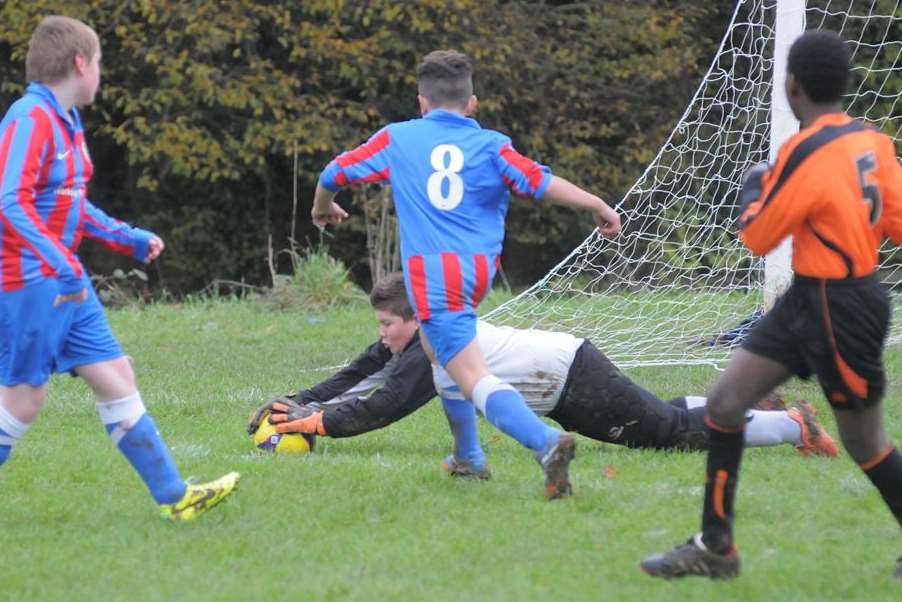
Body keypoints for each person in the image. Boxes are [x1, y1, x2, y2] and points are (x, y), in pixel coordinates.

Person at [639, 30, 902, 580]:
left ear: (792, 84)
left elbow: (758, 236)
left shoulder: (804, 151)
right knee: (726, 401)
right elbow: (896, 222)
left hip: (840, 307)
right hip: (812, 297)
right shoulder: (871, 143)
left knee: (865, 441)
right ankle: (716, 546)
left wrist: (752, 187)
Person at [310, 49, 622, 499]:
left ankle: (544, 442)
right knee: (438, 352)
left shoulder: (398, 138)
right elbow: (539, 182)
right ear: (471, 103)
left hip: (433, 278)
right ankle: (469, 458)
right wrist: (595, 203)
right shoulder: (492, 145)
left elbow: (334, 172)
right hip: (474, 275)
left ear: (421, 102)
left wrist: (323, 208)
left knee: (473, 375)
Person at [247, 272, 838, 478]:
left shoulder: (438, 345)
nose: (381, 336)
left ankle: (789, 425)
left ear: (412, 319)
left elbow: (384, 406)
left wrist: (313, 425)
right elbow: (362, 371)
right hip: (564, 375)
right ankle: (760, 405)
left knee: (665, 434)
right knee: (656, 416)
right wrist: (300, 399)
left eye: (385, 324)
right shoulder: (420, 330)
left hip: (570, 376)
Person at [0, 16, 238, 520]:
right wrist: (61, 265)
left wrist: (125, 237)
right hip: (30, 282)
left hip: (66, 280)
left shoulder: (67, 120)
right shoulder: (29, 118)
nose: (102, 74)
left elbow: (71, 204)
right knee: (22, 402)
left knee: (115, 375)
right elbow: (9, 202)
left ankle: (176, 499)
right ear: (80, 64)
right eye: (101, 63)